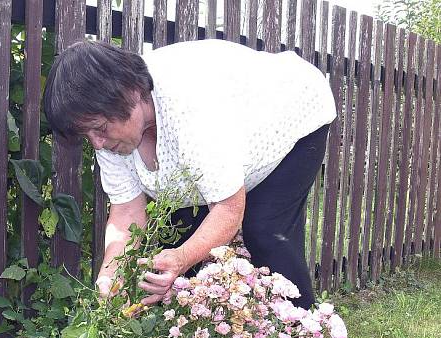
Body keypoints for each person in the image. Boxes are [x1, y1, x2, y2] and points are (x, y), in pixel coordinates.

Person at [43, 39, 336, 309]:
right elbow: (126, 214)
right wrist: (109, 276)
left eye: (100, 129)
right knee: (182, 241)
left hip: (291, 113)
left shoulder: (191, 108)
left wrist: (182, 258)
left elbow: (228, 210)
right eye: (87, 134)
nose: (96, 143)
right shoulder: (110, 133)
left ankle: (303, 336)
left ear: (128, 95)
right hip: (230, 139)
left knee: (265, 232)